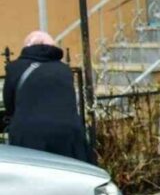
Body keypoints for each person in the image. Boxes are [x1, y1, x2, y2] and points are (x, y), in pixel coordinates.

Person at [3, 31, 93, 163]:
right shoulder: (64, 70)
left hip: (29, 136)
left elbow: (9, 105)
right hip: (67, 134)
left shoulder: (14, 68)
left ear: (27, 47)